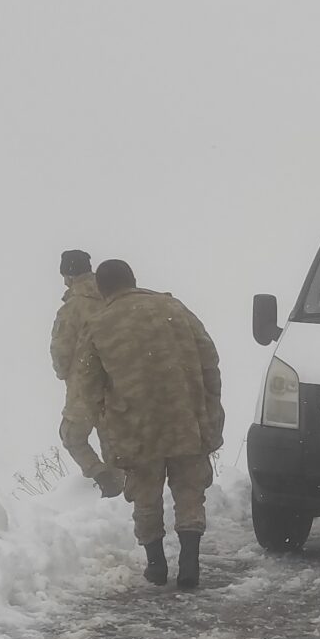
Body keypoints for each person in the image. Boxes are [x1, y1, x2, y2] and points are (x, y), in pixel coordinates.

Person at [72, 258, 224, 588]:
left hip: (135, 426)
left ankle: (156, 565)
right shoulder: (175, 309)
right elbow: (210, 360)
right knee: (189, 492)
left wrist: (108, 419)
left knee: (145, 496)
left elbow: (86, 385)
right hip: (186, 419)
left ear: (101, 288)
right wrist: (209, 409)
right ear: (133, 279)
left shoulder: (98, 326)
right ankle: (189, 564)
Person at [48, 249, 118, 495]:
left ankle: (102, 478)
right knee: (113, 440)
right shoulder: (113, 296)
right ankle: (122, 489)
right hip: (120, 381)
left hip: (83, 385)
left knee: (72, 435)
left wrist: (64, 372)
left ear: (67, 275)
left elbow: (61, 351)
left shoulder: (72, 308)